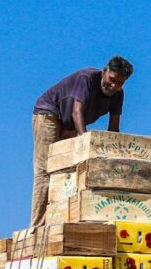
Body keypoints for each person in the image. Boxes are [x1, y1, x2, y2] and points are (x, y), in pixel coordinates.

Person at [29, 56, 134, 227]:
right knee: (46, 171)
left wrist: (114, 159)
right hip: (49, 114)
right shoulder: (87, 78)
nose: (114, 86)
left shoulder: (117, 95)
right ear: (104, 71)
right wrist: (85, 142)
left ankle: (60, 222)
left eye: (120, 83)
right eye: (112, 80)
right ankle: (37, 227)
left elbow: (114, 129)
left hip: (71, 125)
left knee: (68, 172)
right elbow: (77, 111)